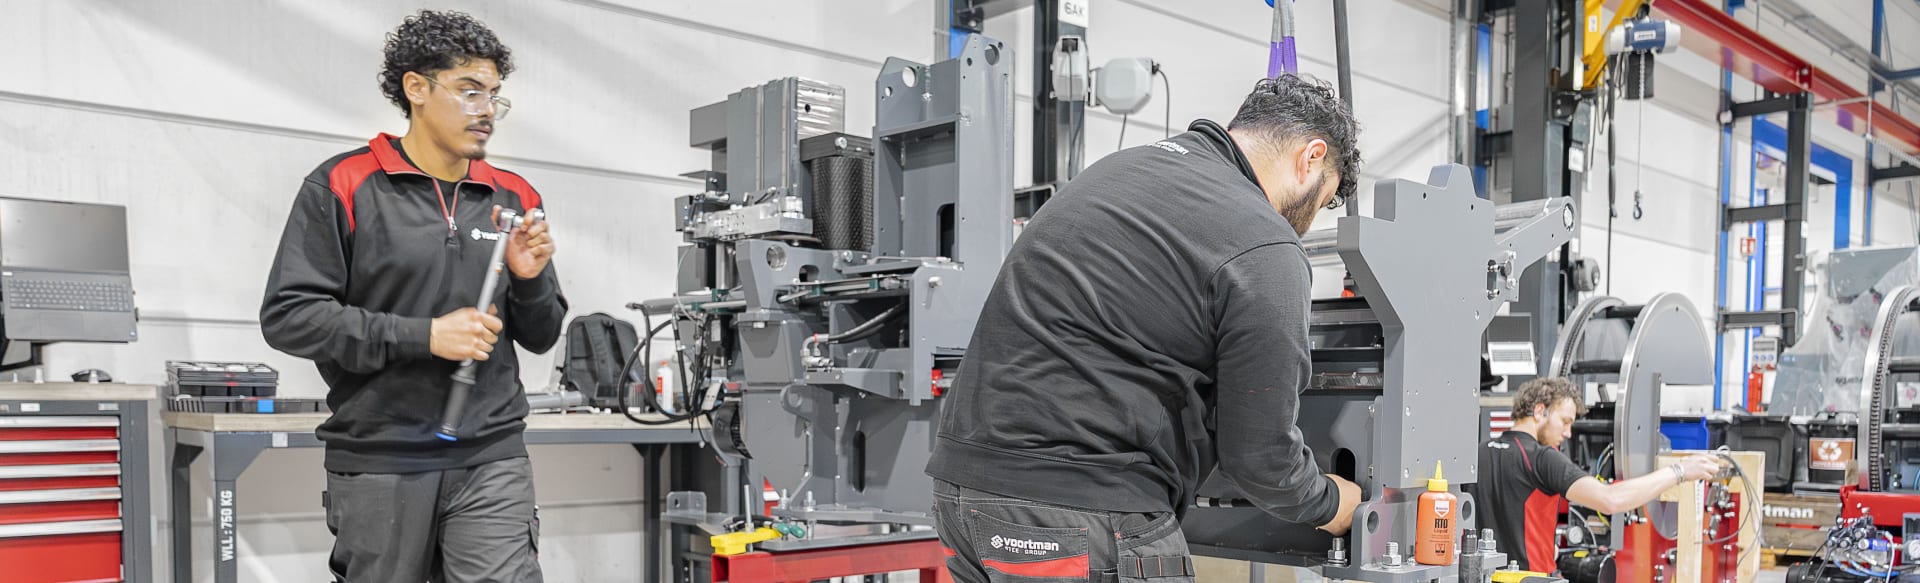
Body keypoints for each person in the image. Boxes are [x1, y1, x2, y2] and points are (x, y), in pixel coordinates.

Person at [925, 75, 1365, 582]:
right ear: (1311, 157)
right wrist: (1332, 503)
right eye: (1321, 200)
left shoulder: (1122, 170)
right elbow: (1261, 459)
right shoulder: (1265, 244)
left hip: (963, 498)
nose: (1305, 224)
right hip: (1077, 510)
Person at [259, 10, 564, 582]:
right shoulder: (344, 184)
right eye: (469, 90)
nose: (486, 110)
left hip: (491, 456)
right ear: (417, 88)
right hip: (381, 458)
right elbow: (290, 317)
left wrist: (530, 278)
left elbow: (542, 334)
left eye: (494, 95)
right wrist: (425, 336)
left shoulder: (514, 195)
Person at [1476, 377, 1726, 573]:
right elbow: (1610, 499)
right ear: (1540, 411)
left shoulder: (1479, 453)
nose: (1568, 433)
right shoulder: (1541, 458)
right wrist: (1680, 471)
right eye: (1565, 421)